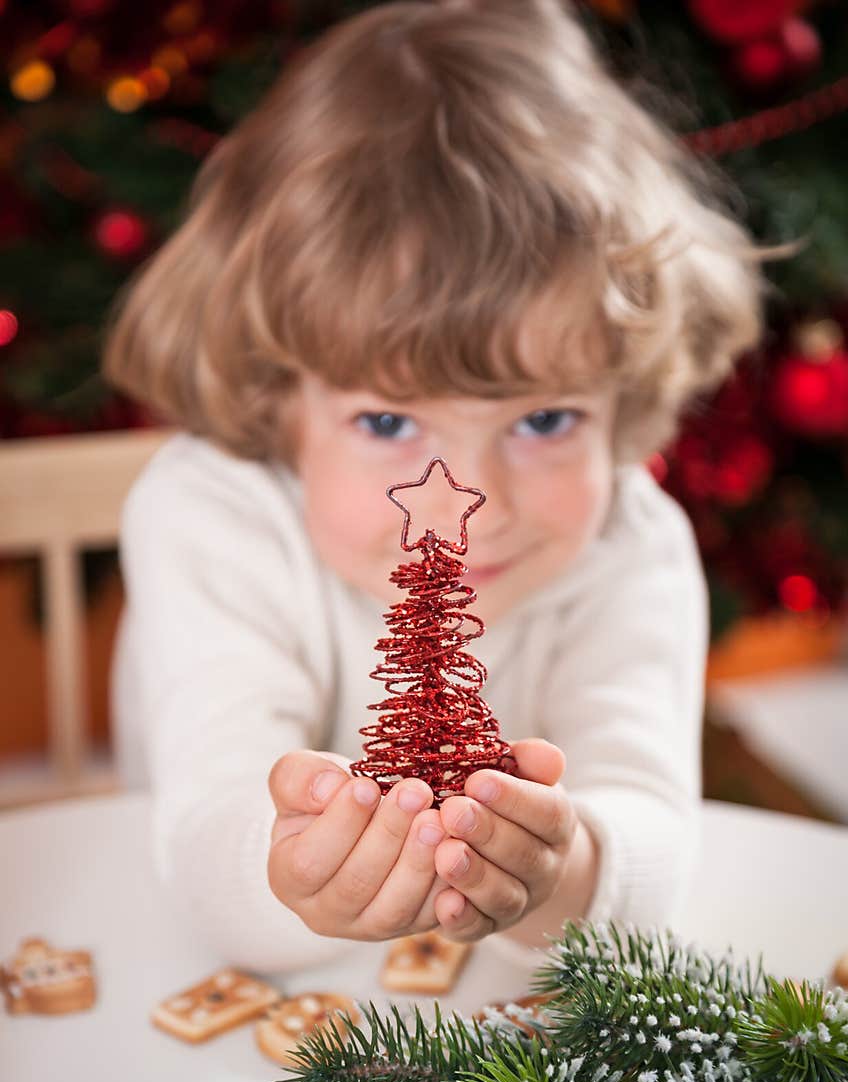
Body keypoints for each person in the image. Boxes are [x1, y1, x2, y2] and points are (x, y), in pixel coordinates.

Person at [102, 0, 789, 974]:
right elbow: (204, 826)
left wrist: (568, 872)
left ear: (621, 396)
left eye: (544, 419)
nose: (473, 506)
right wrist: (289, 873)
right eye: (387, 422)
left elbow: (651, 827)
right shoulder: (211, 517)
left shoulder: (628, 547)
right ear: (277, 395)